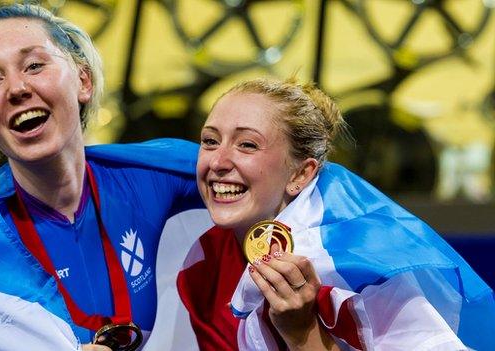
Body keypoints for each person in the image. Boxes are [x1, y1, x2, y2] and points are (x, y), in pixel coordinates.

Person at [0, 4, 204, 350]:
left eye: (34, 65)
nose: (16, 88)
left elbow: (266, 175)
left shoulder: (159, 175)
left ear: (84, 81)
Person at [176, 78, 495, 350]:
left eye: (247, 144)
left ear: (300, 175)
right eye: (210, 141)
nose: (217, 162)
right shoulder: (204, 264)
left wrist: (303, 335)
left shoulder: (355, 266)